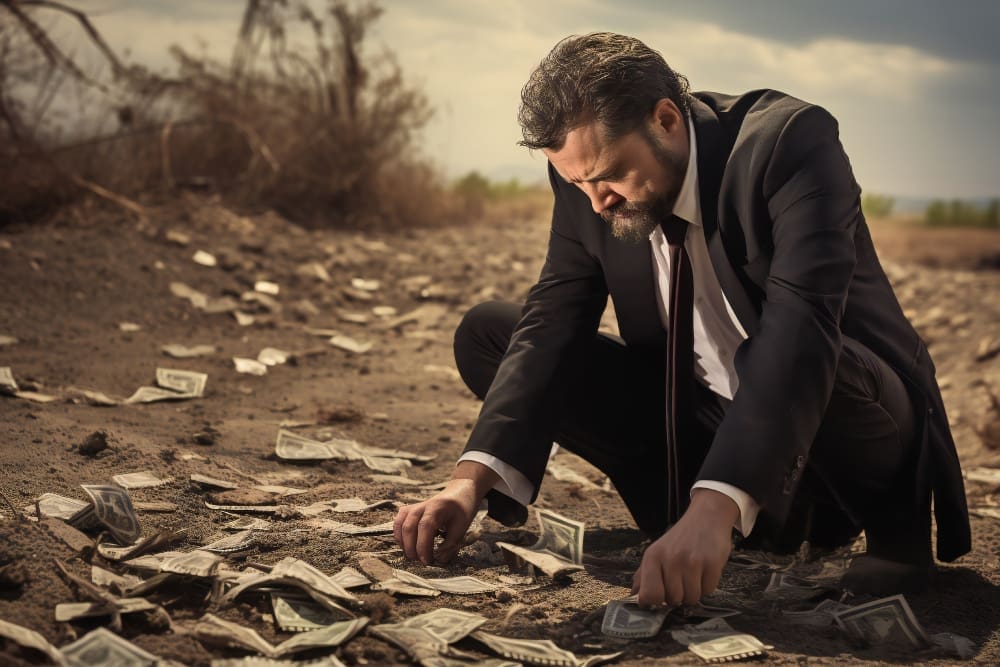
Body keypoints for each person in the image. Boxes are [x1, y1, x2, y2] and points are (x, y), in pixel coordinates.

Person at [393, 32, 970, 605]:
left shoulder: (789, 145)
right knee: (490, 332)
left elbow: (802, 329)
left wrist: (718, 504)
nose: (597, 202)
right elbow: (554, 316)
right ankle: (689, 514)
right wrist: (468, 483)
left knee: (799, 352)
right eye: (578, 183)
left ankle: (876, 535)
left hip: (833, 438)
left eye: (609, 174)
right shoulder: (586, 179)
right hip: (691, 432)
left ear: (666, 120)